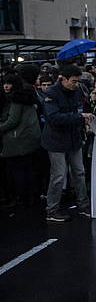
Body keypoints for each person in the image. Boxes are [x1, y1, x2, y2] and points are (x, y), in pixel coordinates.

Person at [41, 65, 94, 222]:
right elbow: (54, 118)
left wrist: (83, 123)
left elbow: (80, 109)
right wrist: (80, 118)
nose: (76, 84)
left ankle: (83, 205)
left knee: (79, 172)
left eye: (77, 82)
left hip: (73, 138)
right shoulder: (51, 94)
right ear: (62, 79)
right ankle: (52, 209)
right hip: (56, 140)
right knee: (58, 175)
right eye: (73, 81)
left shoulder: (76, 91)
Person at [0, 74, 41, 207]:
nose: (6, 86)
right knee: (27, 169)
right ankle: (29, 197)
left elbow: (12, 121)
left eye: (9, 83)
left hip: (17, 140)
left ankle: (21, 198)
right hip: (29, 140)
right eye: (5, 83)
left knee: (17, 171)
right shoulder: (26, 97)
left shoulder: (16, 99)